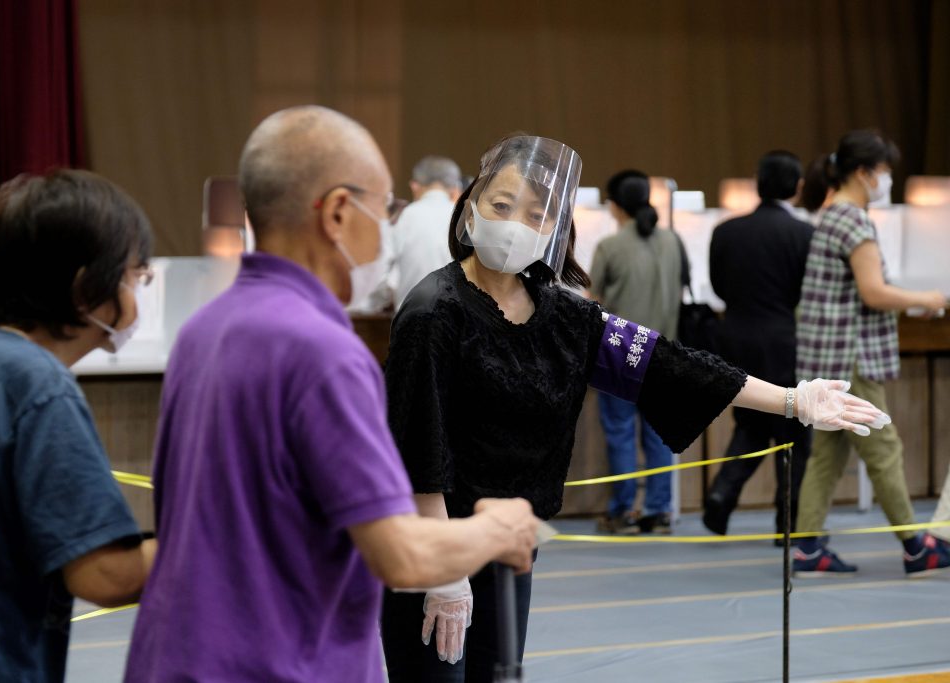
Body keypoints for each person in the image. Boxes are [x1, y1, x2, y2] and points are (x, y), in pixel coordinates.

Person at [381, 134, 891, 682]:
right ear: (471, 208)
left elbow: (670, 364)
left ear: (553, 228)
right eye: (501, 206)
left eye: (535, 213)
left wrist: (793, 399)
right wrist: (442, 572)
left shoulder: (562, 315)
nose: (515, 224)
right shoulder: (434, 311)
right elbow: (418, 445)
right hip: (434, 545)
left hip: (508, 546)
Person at [123, 106, 539, 683]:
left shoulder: (204, 330)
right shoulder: (323, 351)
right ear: (340, 212)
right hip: (279, 662)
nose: (387, 228)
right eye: (384, 206)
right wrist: (498, 529)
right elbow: (397, 552)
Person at [0, 170, 158, 682]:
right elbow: (104, 574)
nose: (138, 291)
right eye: (134, 275)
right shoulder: (32, 384)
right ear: (84, 287)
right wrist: (221, 536)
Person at [793, 129, 950, 577]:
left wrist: (909, 300)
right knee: (884, 448)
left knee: (827, 453)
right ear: (863, 173)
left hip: (829, 353)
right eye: (882, 171)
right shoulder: (854, 220)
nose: (885, 180)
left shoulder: (830, 215)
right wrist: (926, 298)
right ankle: (915, 545)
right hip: (851, 356)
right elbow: (874, 292)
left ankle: (808, 546)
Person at [703, 151, 814, 541]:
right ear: (798, 187)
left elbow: (717, 286)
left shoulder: (726, 230)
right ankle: (788, 523)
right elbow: (807, 291)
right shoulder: (804, 234)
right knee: (793, 431)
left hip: (734, 335)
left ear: (757, 181)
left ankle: (721, 495)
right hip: (784, 337)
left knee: (749, 423)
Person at [588, 170, 684, 534]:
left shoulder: (610, 247)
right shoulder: (672, 241)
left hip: (620, 355)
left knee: (620, 433)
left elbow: (592, 302)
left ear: (615, 206)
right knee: (658, 435)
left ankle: (623, 510)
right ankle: (658, 511)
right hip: (665, 351)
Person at [361, 155, 461, 311]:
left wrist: (369, 306)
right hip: (459, 320)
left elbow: (382, 272)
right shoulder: (464, 218)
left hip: (412, 318)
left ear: (415, 186)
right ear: (455, 188)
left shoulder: (405, 217)